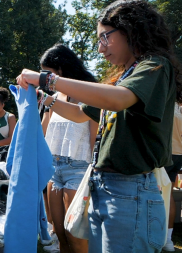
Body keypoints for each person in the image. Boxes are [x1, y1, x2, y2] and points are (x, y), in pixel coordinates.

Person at [16, 1, 182, 252]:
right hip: (106, 187)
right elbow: (81, 113)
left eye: (105, 37)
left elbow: (117, 100)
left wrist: (48, 79)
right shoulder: (125, 76)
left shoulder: (155, 66)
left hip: (131, 190)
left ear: (131, 30)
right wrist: (46, 98)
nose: (100, 48)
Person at [39, 44, 98, 253]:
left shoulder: (90, 93)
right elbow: (43, 133)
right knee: (60, 234)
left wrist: (95, 172)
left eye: (48, 73)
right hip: (54, 170)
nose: (45, 78)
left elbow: (94, 136)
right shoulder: (54, 98)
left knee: (77, 237)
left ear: (61, 70)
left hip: (80, 168)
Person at [163, 102, 182, 251]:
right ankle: (168, 240)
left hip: (166, 151)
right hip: (179, 153)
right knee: (168, 194)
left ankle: (161, 237)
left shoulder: (168, 100)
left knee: (158, 192)